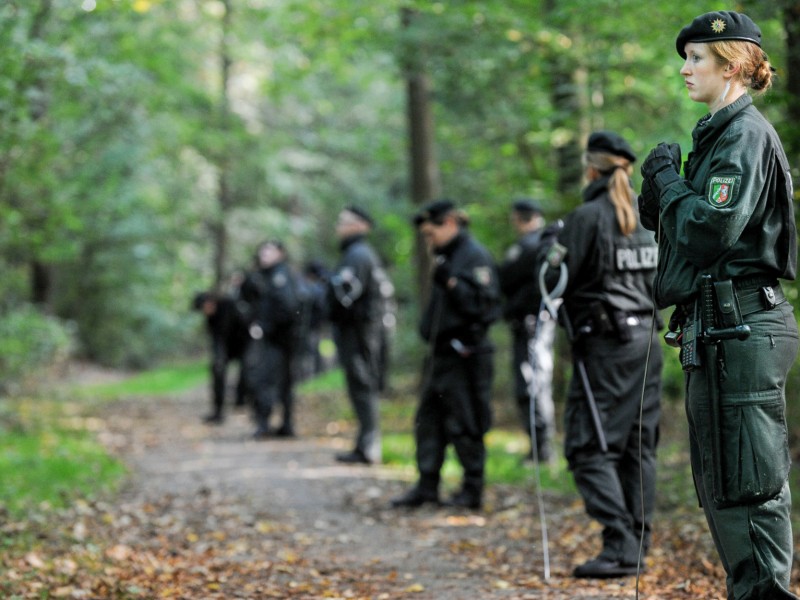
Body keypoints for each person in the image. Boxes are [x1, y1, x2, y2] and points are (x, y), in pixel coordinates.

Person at [639, 11, 798, 598]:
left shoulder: (744, 135)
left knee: (748, 484)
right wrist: (660, 192)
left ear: (731, 65)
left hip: (744, 327)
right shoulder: (715, 136)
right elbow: (682, 234)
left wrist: (671, 186)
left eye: (696, 58)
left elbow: (711, 231)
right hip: (718, 327)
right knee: (725, 485)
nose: (684, 70)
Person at [550, 131, 662, 578]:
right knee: (638, 447)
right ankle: (637, 544)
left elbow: (555, 282)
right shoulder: (650, 217)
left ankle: (620, 546)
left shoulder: (585, 218)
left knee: (587, 446)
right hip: (647, 346)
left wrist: (549, 252)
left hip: (605, 350)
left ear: (591, 169)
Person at [391, 199, 501, 510]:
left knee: (466, 422)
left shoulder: (473, 256)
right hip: (441, 356)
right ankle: (427, 485)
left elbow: (486, 307)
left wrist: (453, 284)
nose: (429, 240)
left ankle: (472, 489)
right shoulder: (447, 257)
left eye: (431, 233)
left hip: (466, 354)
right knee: (429, 420)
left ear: (450, 223)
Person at [327, 206, 393, 465]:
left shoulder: (358, 255)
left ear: (360, 226)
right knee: (360, 385)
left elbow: (345, 296)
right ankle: (365, 443)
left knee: (363, 384)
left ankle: (369, 446)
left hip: (361, 332)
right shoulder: (357, 254)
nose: (338, 227)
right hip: (359, 331)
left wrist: (329, 295)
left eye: (344, 222)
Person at [497, 199, 556, 463]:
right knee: (535, 382)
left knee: (532, 383)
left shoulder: (530, 246)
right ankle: (540, 447)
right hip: (537, 322)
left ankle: (541, 450)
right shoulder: (547, 244)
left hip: (532, 323)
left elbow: (504, 277)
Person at [237, 240, 301, 439]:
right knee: (281, 381)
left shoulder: (279, 276)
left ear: (280, 253)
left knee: (264, 380)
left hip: (277, 339)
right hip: (281, 338)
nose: (263, 254)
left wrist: (266, 327)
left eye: (269, 251)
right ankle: (284, 424)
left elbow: (287, 307)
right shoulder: (267, 276)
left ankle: (266, 424)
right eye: (262, 250)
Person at [191, 286, 249, 424]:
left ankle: (242, 401)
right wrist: (218, 358)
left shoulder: (229, 304)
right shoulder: (211, 318)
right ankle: (218, 411)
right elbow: (217, 340)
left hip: (244, 344)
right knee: (217, 371)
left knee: (248, 374)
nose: (205, 311)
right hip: (226, 347)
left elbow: (245, 325)